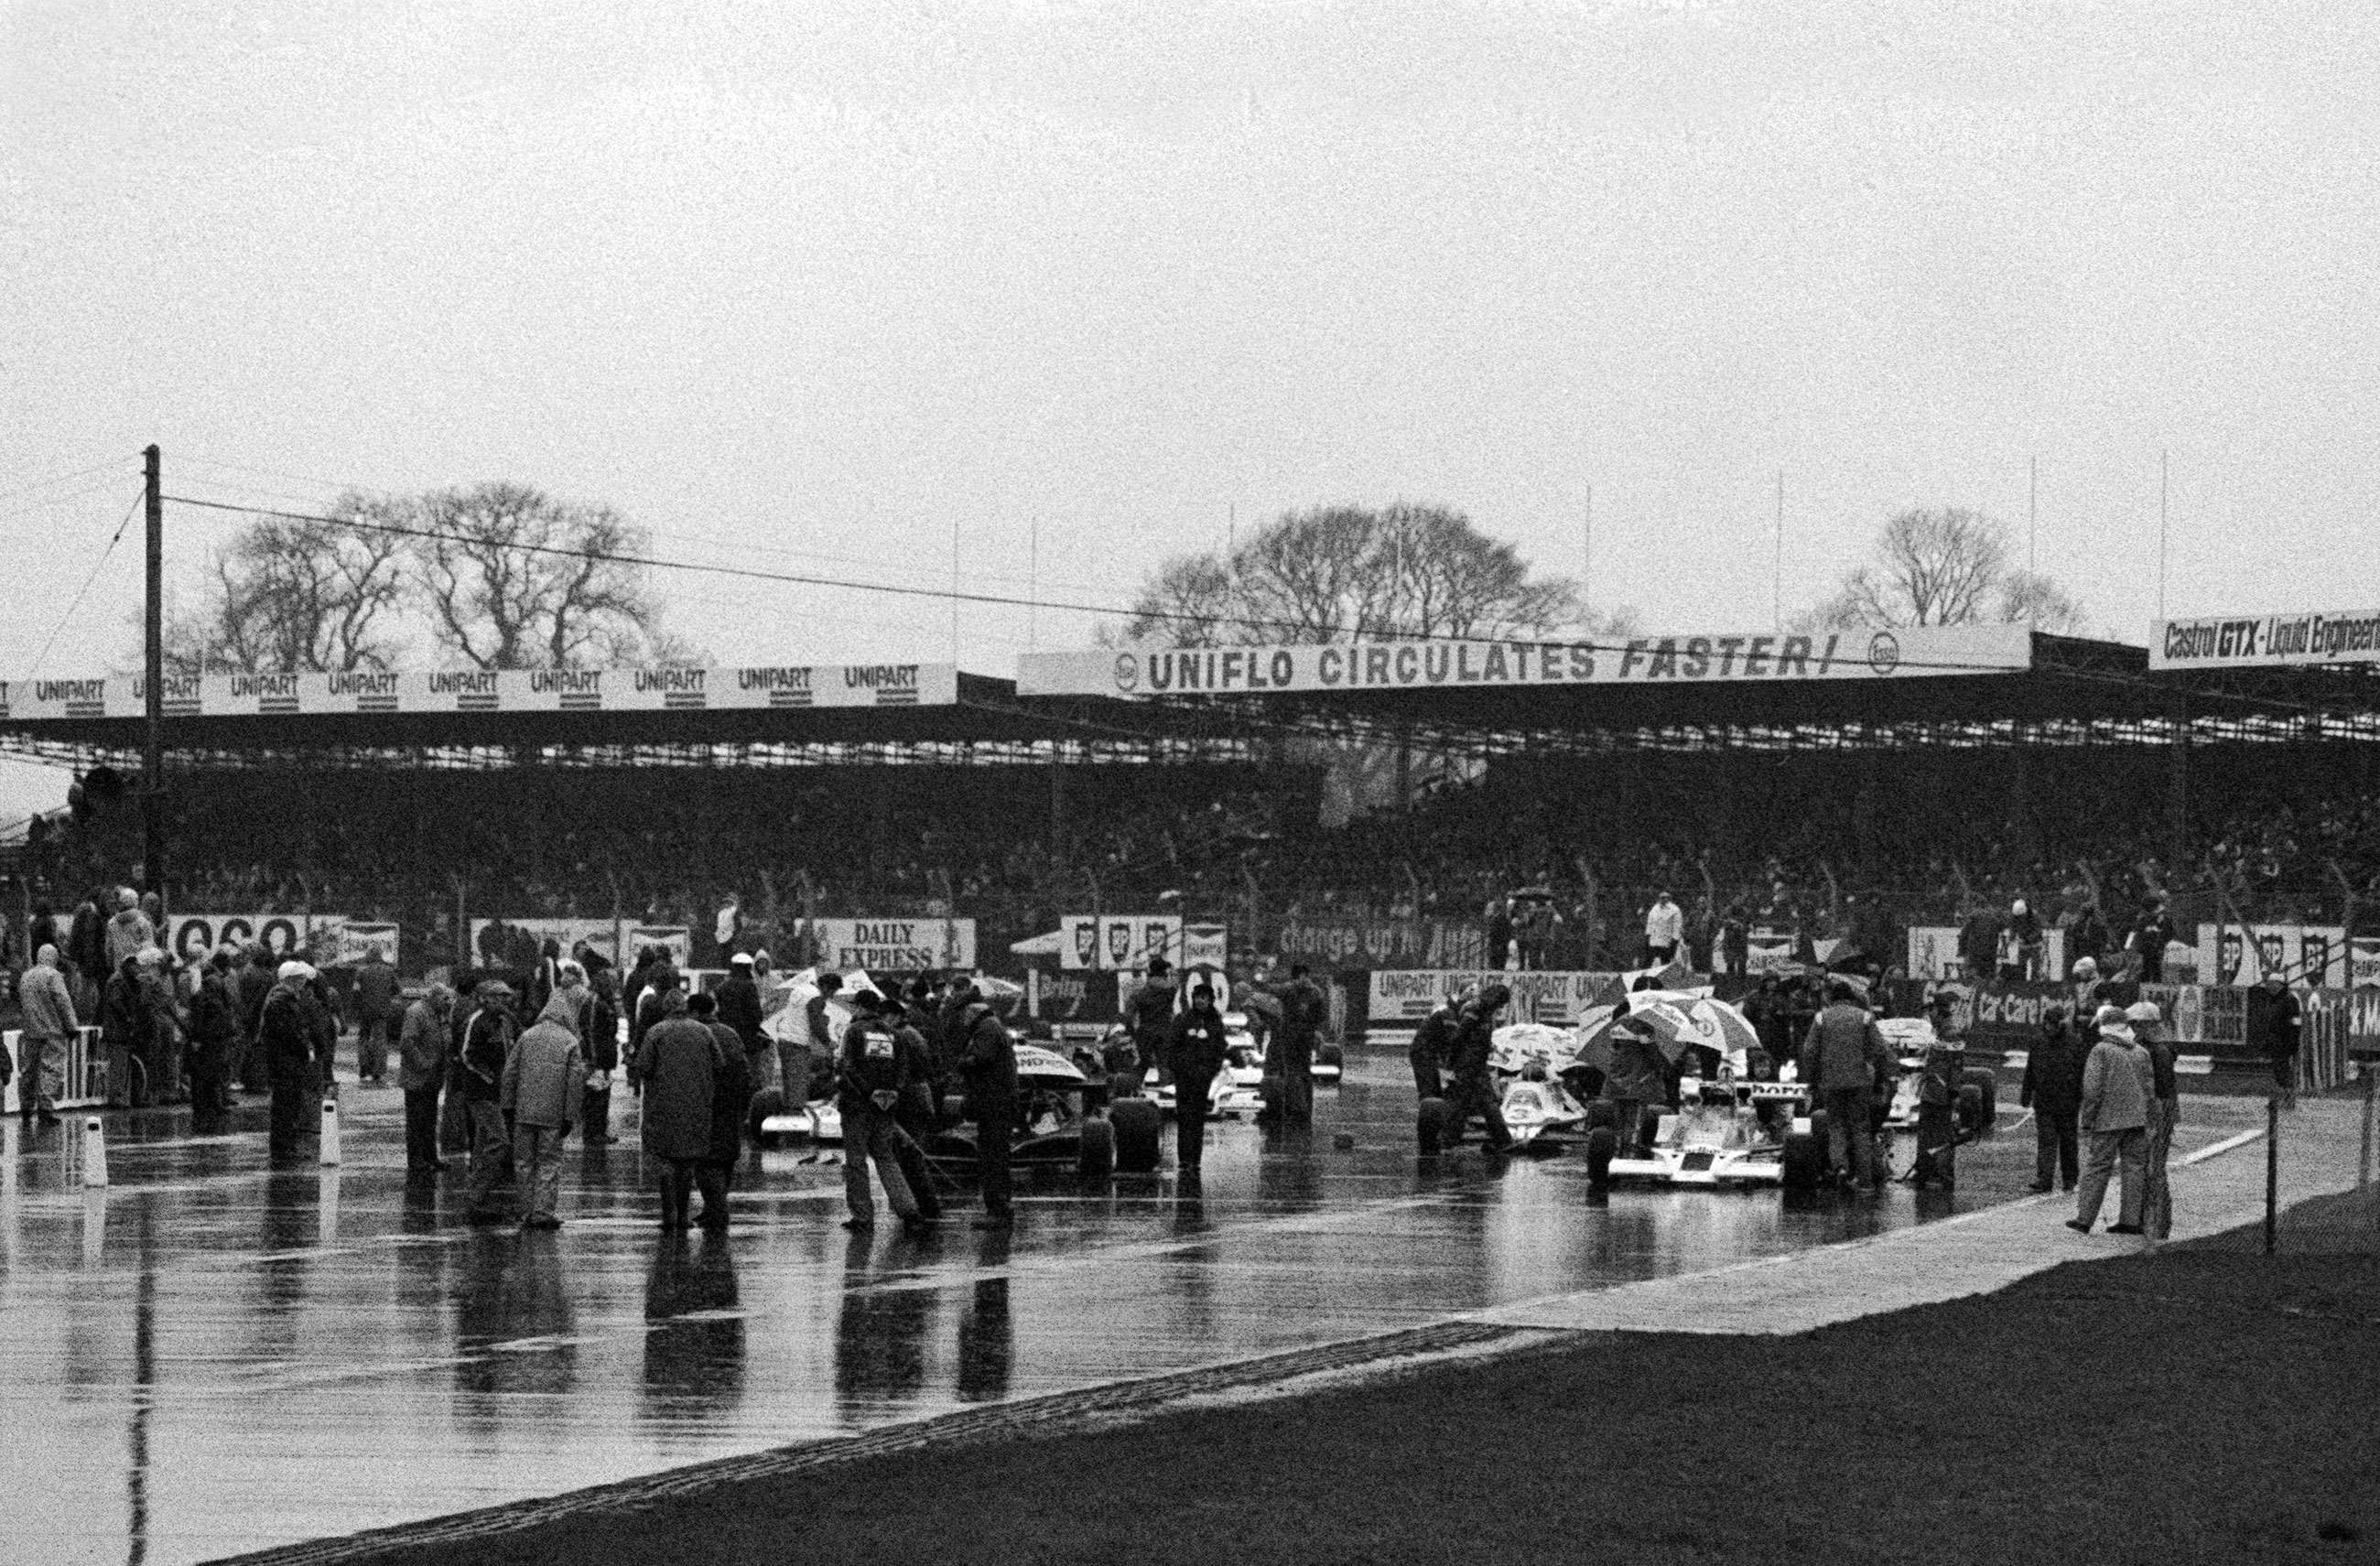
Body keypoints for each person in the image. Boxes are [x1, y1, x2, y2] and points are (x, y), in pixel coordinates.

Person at [837, 995, 928, 1233]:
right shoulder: (892, 1034)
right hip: (887, 1105)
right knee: (886, 1158)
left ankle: (863, 1217)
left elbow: (847, 1067)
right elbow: (903, 1068)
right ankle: (910, 1211)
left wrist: (869, 1092)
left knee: (856, 1162)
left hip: (858, 1105)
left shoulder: (854, 1031)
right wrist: (892, 1093)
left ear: (858, 1007)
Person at [633, 986, 720, 1232]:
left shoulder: (656, 1032)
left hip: (662, 1108)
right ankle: (684, 1216)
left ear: (665, 1009)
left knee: (666, 1163)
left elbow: (644, 1067)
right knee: (686, 1165)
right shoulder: (703, 1031)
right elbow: (719, 1063)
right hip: (696, 1106)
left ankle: (669, 1215)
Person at [501, 991, 586, 1230]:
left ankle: (526, 1210)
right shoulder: (570, 1041)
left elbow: (510, 1073)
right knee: (549, 1163)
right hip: (553, 1115)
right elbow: (574, 1082)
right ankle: (543, 1212)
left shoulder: (527, 1036)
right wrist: (570, 1116)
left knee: (523, 1162)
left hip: (524, 1113)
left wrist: (508, 1106)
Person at [2069, 1003, 2154, 1236]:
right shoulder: (2141, 1052)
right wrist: (2149, 1119)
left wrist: (2087, 1119)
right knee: (2135, 1168)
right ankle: (2131, 1221)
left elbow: (2092, 1090)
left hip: (2108, 1119)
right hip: (2138, 1119)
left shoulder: (2101, 1051)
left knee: (2097, 1167)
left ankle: (2084, 1219)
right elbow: (2149, 1089)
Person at [1798, 979, 1891, 1191]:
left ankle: (1840, 1166)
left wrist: (1812, 1079)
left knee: (1836, 1126)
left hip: (1831, 1081)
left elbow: (1809, 1051)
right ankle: (1865, 1181)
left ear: (1831, 998)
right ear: (1851, 998)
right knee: (1860, 1129)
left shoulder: (1821, 1018)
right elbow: (1880, 1050)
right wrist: (1877, 1078)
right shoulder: (1865, 1017)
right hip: (1860, 1080)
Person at [458, 981, 520, 1223]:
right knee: (499, 1141)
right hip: (481, 1092)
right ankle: (476, 1195)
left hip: (498, 1093)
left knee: (485, 1144)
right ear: (486, 998)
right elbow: (466, 1054)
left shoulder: (506, 1022)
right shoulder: (477, 1022)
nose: (504, 1002)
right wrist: (488, 1076)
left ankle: (477, 1199)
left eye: (506, 998)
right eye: (499, 998)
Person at [690, 989, 750, 1231]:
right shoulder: (730, 1032)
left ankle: (717, 1210)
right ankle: (713, 1208)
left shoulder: (699, 1034)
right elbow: (744, 1068)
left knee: (706, 1161)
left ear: (695, 1012)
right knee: (725, 1156)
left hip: (707, 1102)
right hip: (732, 1101)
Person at [957, 993, 1017, 1228]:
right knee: (998, 1155)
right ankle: (1001, 1206)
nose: (963, 1019)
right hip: (999, 1102)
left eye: (964, 1014)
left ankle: (997, 1209)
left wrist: (962, 1063)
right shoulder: (994, 1026)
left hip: (994, 1103)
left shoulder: (986, 1028)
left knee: (992, 1157)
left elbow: (981, 1059)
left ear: (973, 1013)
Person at [886, 997, 945, 1221]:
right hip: (918, 1098)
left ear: (894, 1016)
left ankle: (925, 1208)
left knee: (911, 1156)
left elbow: (906, 1070)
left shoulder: (902, 1036)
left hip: (911, 1101)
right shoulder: (911, 1033)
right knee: (911, 1155)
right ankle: (923, 1206)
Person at [1164, 982, 1232, 1172]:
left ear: (1210, 1000)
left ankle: (1195, 1159)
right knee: (1184, 1117)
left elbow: (1220, 1048)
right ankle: (1184, 1159)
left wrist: (1211, 1070)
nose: (1200, 1001)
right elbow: (1171, 1046)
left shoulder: (1215, 1022)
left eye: (1204, 997)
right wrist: (1178, 1068)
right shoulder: (1183, 1019)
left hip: (1203, 1077)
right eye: (1197, 997)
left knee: (1197, 1119)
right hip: (1184, 1077)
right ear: (1193, 999)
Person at [2020, 1003, 2087, 1193]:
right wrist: (2026, 1094)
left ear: (2060, 1025)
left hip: (2067, 1101)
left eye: (2052, 1024)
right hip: (2045, 1100)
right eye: (2047, 1024)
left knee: (2068, 1143)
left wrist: (2080, 1096)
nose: (2049, 1028)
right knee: (2046, 1141)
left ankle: (2070, 1179)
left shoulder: (2074, 1043)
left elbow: (2081, 1072)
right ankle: (2044, 1178)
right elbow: (2030, 1069)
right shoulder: (2039, 1042)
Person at [257, 961, 319, 1164]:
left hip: (285, 1060)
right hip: (285, 1062)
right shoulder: (281, 1002)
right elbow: (289, 1033)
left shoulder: (282, 999)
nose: (303, 983)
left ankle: (286, 1146)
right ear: (291, 980)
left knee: (289, 1105)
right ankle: (283, 1148)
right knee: (286, 1105)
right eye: (300, 979)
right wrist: (305, 1049)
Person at [1442, 983, 1514, 1153]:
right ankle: (1503, 1140)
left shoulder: (1486, 1012)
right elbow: (1460, 1035)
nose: (1502, 1007)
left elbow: (1482, 1037)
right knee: (1481, 1102)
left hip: (1477, 1063)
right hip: (1467, 1064)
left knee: (1465, 1103)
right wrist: (1451, 1062)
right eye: (1502, 1002)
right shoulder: (1475, 1009)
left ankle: (1448, 1141)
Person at [2130, 999, 2180, 1239]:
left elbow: (2161, 1092)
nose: (2132, 1028)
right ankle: (2145, 1219)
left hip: (2158, 1115)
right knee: (2146, 1168)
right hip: (2152, 1114)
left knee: (2155, 1168)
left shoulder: (2158, 1052)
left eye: (2135, 1024)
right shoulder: (2153, 1049)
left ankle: (2159, 1222)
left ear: (2146, 1025)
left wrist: (2154, 1123)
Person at [397, 982, 457, 1172]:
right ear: (433, 996)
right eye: (444, 998)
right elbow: (407, 1042)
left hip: (433, 1078)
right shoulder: (417, 1012)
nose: (447, 1002)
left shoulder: (438, 1014)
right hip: (417, 1078)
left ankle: (430, 1156)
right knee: (417, 1120)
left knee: (430, 1120)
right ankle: (416, 1159)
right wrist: (423, 1063)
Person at [17, 945, 76, 1128]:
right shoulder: (53, 976)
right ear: (54, 958)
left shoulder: (26, 976)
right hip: (52, 1030)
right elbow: (63, 1001)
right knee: (50, 1069)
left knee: (29, 1069)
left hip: (31, 1030)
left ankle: (26, 1108)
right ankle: (45, 1109)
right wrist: (72, 1026)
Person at [187, 947, 241, 1134]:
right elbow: (207, 1009)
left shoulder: (208, 979)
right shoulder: (214, 982)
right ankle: (209, 1104)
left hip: (211, 1034)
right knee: (210, 1070)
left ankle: (209, 1104)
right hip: (212, 1035)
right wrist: (199, 1035)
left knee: (209, 1070)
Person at [1603, 1014, 1669, 1158]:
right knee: (1635, 1122)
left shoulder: (1617, 1024)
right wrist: (1662, 1067)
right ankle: (1630, 1154)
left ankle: (1616, 1154)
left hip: (1615, 1081)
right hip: (1636, 1082)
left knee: (1618, 1122)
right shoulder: (1643, 1026)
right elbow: (1652, 1054)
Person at [1272, 963, 1325, 1126]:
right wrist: (1310, 1025)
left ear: (1293, 975)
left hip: (1290, 1034)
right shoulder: (1316, 991)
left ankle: (1293, 1109)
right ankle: (1307, 1110)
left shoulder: (1287, 988)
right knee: (1305, 1072)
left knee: (1290, 1071)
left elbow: (1271, 990)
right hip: (1307, 1034)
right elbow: (1322, 1015)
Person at [2250, 971, 2303, 1109]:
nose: (2267, 987)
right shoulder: (2273, 1000)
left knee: (2283, 1071)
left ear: (2278, 985)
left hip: (2285, 1042)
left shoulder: (2289, 1000)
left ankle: (2289, 1098)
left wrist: (2293, 1042)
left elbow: (2296, 1023)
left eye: (2270, 984)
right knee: (2278, 1071)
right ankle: (2283, 1097)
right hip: (2275, 1042)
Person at [582, 962, 622, 1145]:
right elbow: (589, 1031)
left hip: (605, 1056)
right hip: (597, 1057)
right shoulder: (595, 1001)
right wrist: (592, 1058)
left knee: (602, 1095)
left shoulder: (604, 1001)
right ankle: (593, 1132)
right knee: (595, 1097)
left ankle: (598, 1131)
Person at [716, 951, 768, 1084]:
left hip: (726, 1036)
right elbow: (755, 1013)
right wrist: (763, 1032)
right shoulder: (749, 986)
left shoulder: (722, 986)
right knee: (751, 1074)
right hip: (748, 1038)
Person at [351, 944, 399, 1085]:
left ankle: (364, 1070)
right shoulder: (389, 971)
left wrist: (355, 1009)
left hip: (365, 1011)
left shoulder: (361, 972)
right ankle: (379, 1072)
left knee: (363, 1039)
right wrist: (386, 996)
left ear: (368, 957)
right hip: (382, 1011)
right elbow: (397, 989)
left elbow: (355, 992)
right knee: (380, 1041)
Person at [1125, 959, 1176, 1089]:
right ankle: (1166, 1094)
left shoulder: (1140, 993)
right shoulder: (1170, 991)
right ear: (1165, 972)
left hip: (1145, 1031)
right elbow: (1176, 980)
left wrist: (1133, 1033)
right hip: (1165, 1031)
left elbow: (1128, 1016)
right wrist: (1172, 968)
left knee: (1142, 1064)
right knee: (1164, 1065)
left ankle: (1133, 1091)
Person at [797, 971, 843, 1105]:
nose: (833, 995)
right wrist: (828, 1042)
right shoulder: (816, 999)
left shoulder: (816, 1001)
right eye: (833, 990)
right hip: (815, 1051)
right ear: (825, 987)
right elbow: (816, 1026)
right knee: (820, 1083)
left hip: (814, 1050)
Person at [1408, 993, 1460, 1101]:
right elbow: (1452, 1040)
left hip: (1425, 1050)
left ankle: (1432, 1111)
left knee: (1434, 1090)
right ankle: (1428, 1113)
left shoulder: (1443, 1010)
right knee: (1429, 1090)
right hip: (1423, 1052)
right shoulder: (1448, 1014)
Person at [104, 888, 155, 974]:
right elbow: (150, 945)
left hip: (119, 968)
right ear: (135, 902)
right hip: (140, 967)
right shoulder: (142, 921)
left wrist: (110, 964)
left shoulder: (111, 922)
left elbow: (109, 948)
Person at [2126, 895, 2176, 982]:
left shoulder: (2163, 918)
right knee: (2148, 971)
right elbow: (2135, 933)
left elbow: (2169, 934)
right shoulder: (2144, 920)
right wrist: (2129, 946)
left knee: (2155, 972)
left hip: (2159, 950)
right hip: (2148, 951)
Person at [1644, 891, 1683, 967]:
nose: (1663, 900)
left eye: (1666, 898)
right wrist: (1647, 936)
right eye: (1661, 898)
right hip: (1653, 941)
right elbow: (1650, 924)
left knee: (1665, 964)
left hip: (1666, 942)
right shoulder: (1655, 908)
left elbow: (1677, 927)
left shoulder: (1675, 910)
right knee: (1649, 963)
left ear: (1669, 899)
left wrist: (1674, 941)